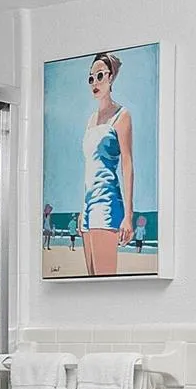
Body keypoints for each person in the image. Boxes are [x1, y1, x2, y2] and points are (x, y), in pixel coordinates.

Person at [80, 51, 136, 276]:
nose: (95, 82)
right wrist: (82, 209)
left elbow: (127, 164)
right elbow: (90, 167)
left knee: (105, 280)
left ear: (111, 77)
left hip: (107, 202)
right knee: (90, 283)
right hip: (88, 206)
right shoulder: (91, 120)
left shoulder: (122, 116)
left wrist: (128, 216)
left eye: (100, 76)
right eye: (91, 78)